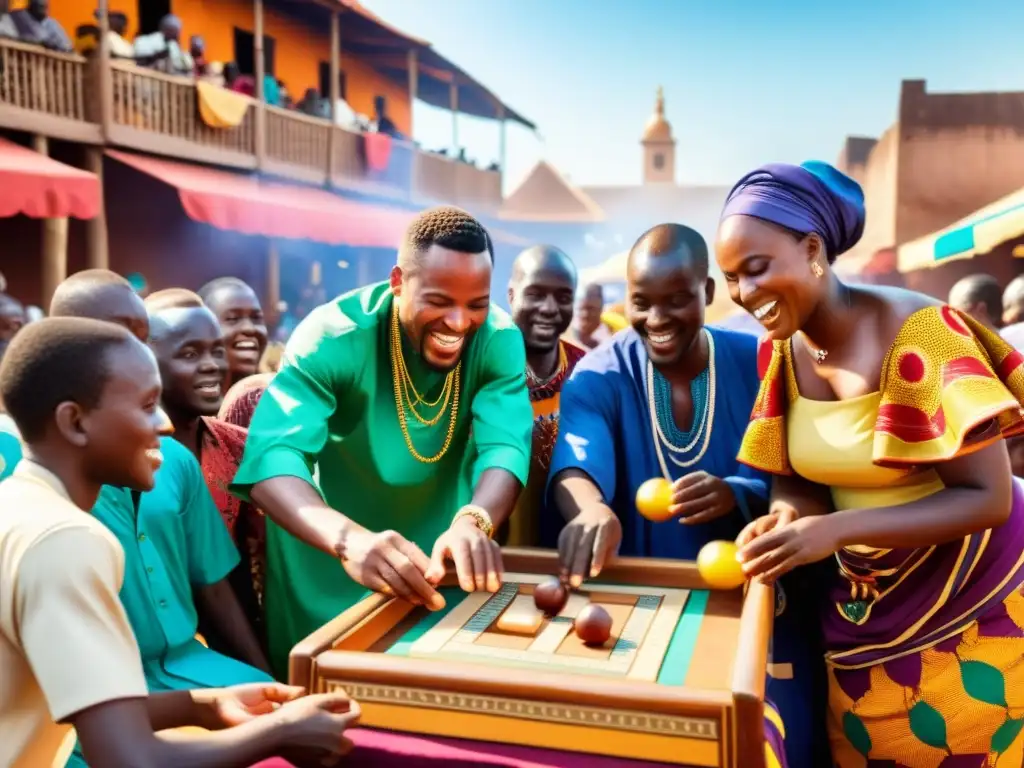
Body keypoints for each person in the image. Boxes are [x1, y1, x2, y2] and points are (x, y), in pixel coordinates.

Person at [716, 160, 1024, 767]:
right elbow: (796, 479)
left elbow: (988, 498)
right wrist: (786, 523)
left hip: (981, 604)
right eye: (730, 279)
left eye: (756, 269)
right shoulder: (783, 350)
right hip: (863, 611)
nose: (745, 294)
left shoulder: (922, 334)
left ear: (812, 249)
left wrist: (833, 530)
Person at [0, 318, 361, 768]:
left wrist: (203, 706)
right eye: (147, 405)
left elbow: (86, 703)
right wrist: (279, 732)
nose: (166, 425)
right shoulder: (69, 540)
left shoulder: (18, 505)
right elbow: (131, 759)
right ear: (74, 422)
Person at [548, 223, 822, 767]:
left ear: (709, 293)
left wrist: (738, 492)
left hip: (758, 610)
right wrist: (592, 508)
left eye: (676, 301)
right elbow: (576, 465)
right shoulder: (599, 375)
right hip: (641, 614)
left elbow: (805, 473)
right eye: (641, 303)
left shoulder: (763, 361)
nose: (656, 319)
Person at [231, 207, 533, 676]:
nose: (458, 323)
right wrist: (350, 542)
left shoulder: (497, 337)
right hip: (328, 557)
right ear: (398, 280)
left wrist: (474, 520)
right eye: (439, 300)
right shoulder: (332, 335)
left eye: (476, 303)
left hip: (435, 559)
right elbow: (272, 460)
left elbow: (505, 445)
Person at [505, 245, 586, 546]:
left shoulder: (586, 372)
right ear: (512, 295)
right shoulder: (481, 367)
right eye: (536, 294)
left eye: (563, 297)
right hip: (484, 551)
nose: (550, 308)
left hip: (566, 549)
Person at [198, 277, 268, 389]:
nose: (249, 328)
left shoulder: (281, 400)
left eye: (256, 318)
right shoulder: (181, 404)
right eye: (233, 318)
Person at [566, 283, 611, 349]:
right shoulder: (567, 332)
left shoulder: (608, 342)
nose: (585, 314)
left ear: (601, 309)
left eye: (590, 309)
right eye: (581, 309)